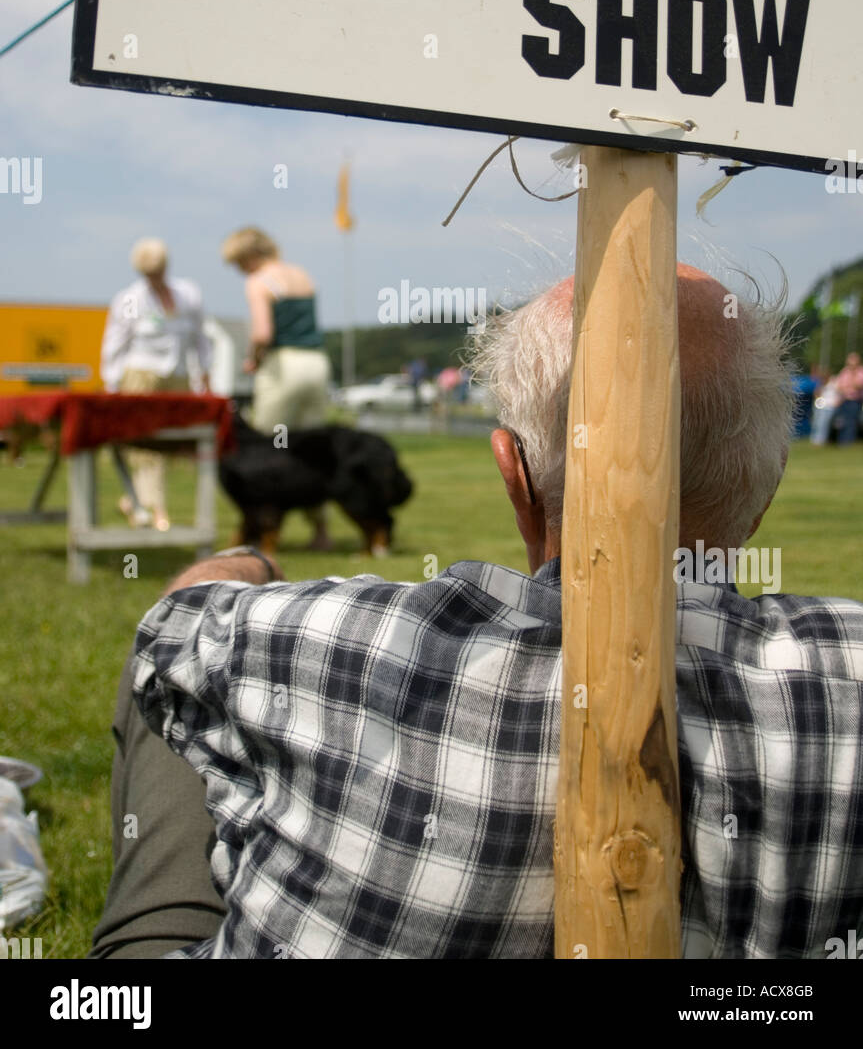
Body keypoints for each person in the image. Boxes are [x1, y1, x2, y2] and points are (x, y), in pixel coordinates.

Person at [89, 265, 863, 960]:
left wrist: (245, 566)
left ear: (512, 475)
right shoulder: (848, 669)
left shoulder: (320, 642)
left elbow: (168, 631)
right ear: (763, 489)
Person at [221, 226, 332, 548]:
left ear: (250, 256)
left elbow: (261, 334)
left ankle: (259, 530)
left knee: (263, 452)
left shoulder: (258, 282)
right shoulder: (302, 274)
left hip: (283, 367)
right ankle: (321, 531)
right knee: (313, 453)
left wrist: (252, 360)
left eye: (238, 262)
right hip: (316, 363)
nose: (238, 270)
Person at [100, 239, 211, 531]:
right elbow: (114, 344)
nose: (155, 277)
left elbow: (200, 337)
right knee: (146, 447)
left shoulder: (189, 293)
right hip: (141, 379)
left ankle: (135, 500)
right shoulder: (129, 299)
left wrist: (205, 374)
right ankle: (154, 509)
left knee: (173, 445)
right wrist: (112, 386)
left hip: (178, 378)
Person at [833, 350, 863, 444]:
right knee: (843, 420)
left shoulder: (860, 371)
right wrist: (849, 386)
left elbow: (858, 385)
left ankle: (849, 440)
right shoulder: (845, 371)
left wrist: (850, 383)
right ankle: (842, 440)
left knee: (851, 420)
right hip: (845, 399)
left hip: (855, 400)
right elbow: (839, 385)